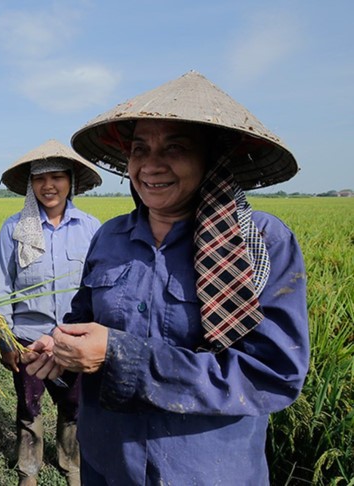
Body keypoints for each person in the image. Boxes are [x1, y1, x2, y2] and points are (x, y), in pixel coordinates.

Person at [24, 71, 310, 484]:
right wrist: (59, 346)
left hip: (206, 470)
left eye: (174, 148)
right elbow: (81, 320)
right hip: (108, 462)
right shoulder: (109, 237)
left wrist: (122, 355)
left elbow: (272, 373)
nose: (151, 165)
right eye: (140, 149)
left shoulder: (259, 242)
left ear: (211, 159)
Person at [0, 140, 102, 486]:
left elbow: (98, 287)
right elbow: (2, 287)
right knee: (29, 408)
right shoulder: (14, 229)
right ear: (30, 185)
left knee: (74, 407)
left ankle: (71, 464)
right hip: (28, 339)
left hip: (74, 338)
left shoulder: (90, 227)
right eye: (40, 178)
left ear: (71, 180)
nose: (48, 185)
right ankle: (29, 469)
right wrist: (5, 340)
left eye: (57, 176)